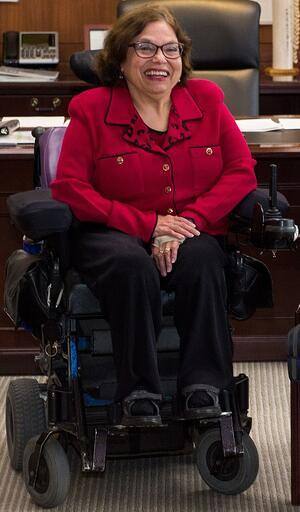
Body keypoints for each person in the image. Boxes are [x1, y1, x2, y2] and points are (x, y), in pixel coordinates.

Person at [51, 3, 257, 427]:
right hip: (110, 234)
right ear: (121, 60)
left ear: (182, 60)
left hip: (188, 228)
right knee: (131, 265)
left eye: (171, 49)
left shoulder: (207, 100)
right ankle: (137, 391)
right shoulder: (91, 109)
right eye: (145, 48)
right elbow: (70, 188)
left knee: (201, 258)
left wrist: (186, 226)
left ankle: (203, 385)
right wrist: (148, 226)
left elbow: (241, 172)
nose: (160, 59)